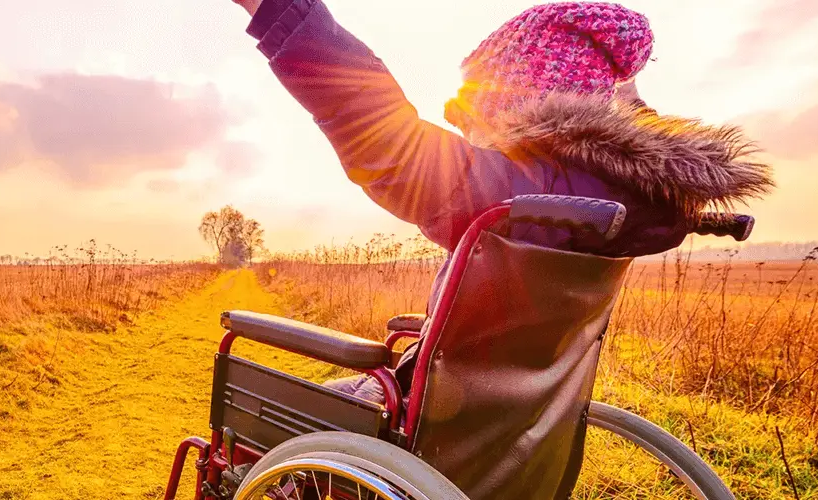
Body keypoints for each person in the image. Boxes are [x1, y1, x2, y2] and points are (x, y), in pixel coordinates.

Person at [223, 0, 774, 497]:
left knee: (254, 423)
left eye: (483, 111)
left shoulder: (526, 196)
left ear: (523, 103)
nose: (473, 131)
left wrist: (280, 12)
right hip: (521, 440)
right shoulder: (636, 207)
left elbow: (380, 134)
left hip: (431, 440)